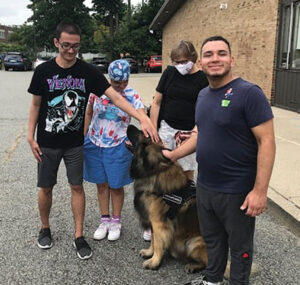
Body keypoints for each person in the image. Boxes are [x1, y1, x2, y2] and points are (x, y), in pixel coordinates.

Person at [27, 21, 157, 260]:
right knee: (45, 187)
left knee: (77, 187)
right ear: (56, 42)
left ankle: (79, 236)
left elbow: (116, 99)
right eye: (66, 45)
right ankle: (44, 228)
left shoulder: (88, 72)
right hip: (47, 142)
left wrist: (141, 116)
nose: (71, 50)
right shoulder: (43, 71)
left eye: (75, 46)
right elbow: (36, 105)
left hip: (75, 144)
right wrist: (29, 135)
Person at [163, 36, 276, 285]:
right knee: (213, 240)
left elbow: (266, 142)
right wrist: (173, 154)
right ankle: (212, 280)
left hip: (237, 189)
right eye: (209, 54)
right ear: (201, 63)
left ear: (231, 59)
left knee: (240, 247)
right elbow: (200, 133)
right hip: (206, 186)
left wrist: (260, 190)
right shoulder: (203, 95)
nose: (215, 59)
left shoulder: (249, 94)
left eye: (222, 53)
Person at [146, 40, 208, 241]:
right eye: (176, 61)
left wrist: (196, 132)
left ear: (193, 59)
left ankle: (184, 217)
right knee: (160, 173)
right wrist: (153, 130)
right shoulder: (169, 73)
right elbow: (156, 102)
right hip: (167, 127)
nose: (180, 65)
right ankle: (155, 219)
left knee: (186, 174)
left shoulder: (202, 79)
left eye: (183, 61)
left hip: (188, 132)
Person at [83, 59, 144, 241]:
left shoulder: (132, 95)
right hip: (95, 142)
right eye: (116, 82)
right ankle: (105, 219)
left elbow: (142, 115)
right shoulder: (96, 92)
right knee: (101, 184)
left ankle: (116, 221)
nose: (121, 85)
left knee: (116, 185)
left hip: (117, 144)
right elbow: (88, 113)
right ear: (109, 78)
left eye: (124, 81)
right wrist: (83, 137)